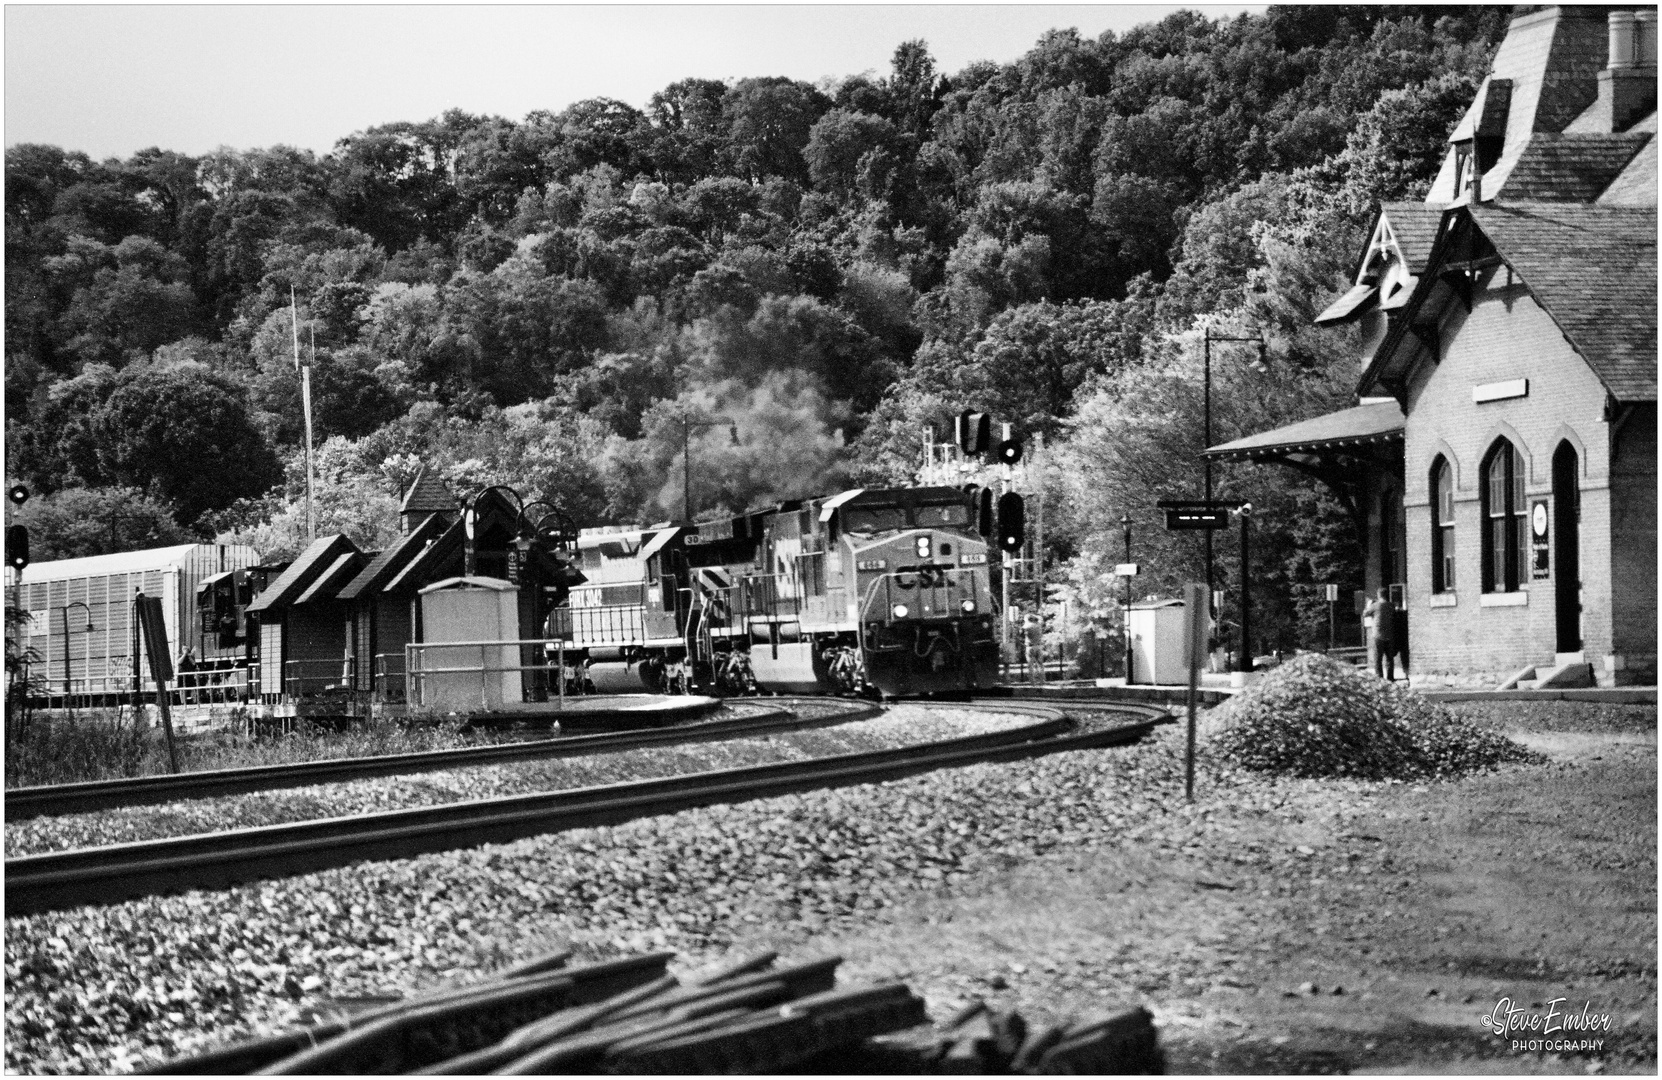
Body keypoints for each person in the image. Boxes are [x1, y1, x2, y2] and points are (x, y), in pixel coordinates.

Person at [1363, 588, 1399, 681]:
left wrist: (1369, 605)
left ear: (1379, 595)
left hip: (1378, 635)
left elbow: (1365, 614)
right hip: (1389, 635)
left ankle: (1379, 678)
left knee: (1378, 658)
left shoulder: (1375, 606)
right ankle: (1390, 678)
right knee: (1389, 658)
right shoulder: (1391, 605)